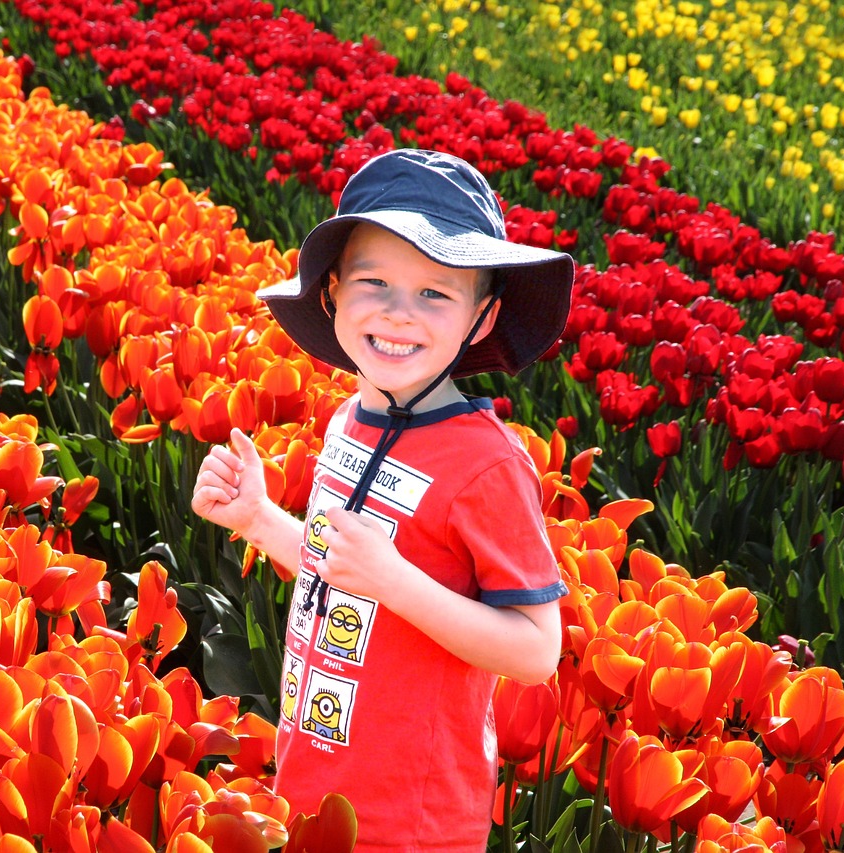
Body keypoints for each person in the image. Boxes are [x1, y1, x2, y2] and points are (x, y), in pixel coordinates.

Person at [191, 149, 575, 851]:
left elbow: (536, 651)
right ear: (333, 292)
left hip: (413, 820)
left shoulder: (488, 464)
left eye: (436, 293)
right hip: (314, 782)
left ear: (482, 318)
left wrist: (394, 579)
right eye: (375, 282)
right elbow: (335, 565)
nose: (400, 315)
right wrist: (259, 519)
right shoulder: (349, 420)